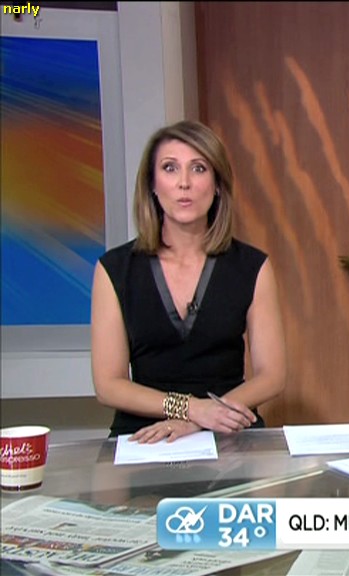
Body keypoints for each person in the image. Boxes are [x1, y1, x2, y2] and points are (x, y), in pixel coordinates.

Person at [91, 120, 286, 443]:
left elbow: (272, 376)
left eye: (198, 168)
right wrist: (192, 409)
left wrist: (208, 418)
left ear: (218, 184)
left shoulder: (252, 266)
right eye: (170, 168)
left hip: (227, 427)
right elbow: (108, 385)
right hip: (143, 435)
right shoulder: (115, 269)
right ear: (152, 184)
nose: (184, 183)